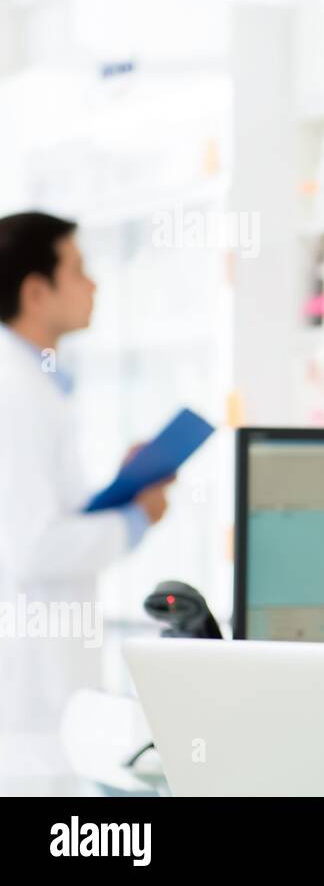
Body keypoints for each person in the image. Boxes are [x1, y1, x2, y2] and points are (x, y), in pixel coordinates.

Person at [0, 211, 171, 748]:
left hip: (45, 690)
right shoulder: (15, 389)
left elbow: (44, 513)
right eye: (77, 269)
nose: (94, 284)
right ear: (35, 292)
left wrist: (121, 487)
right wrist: (135, 518)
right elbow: (31, 547)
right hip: (29, 694)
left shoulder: (37, 380)